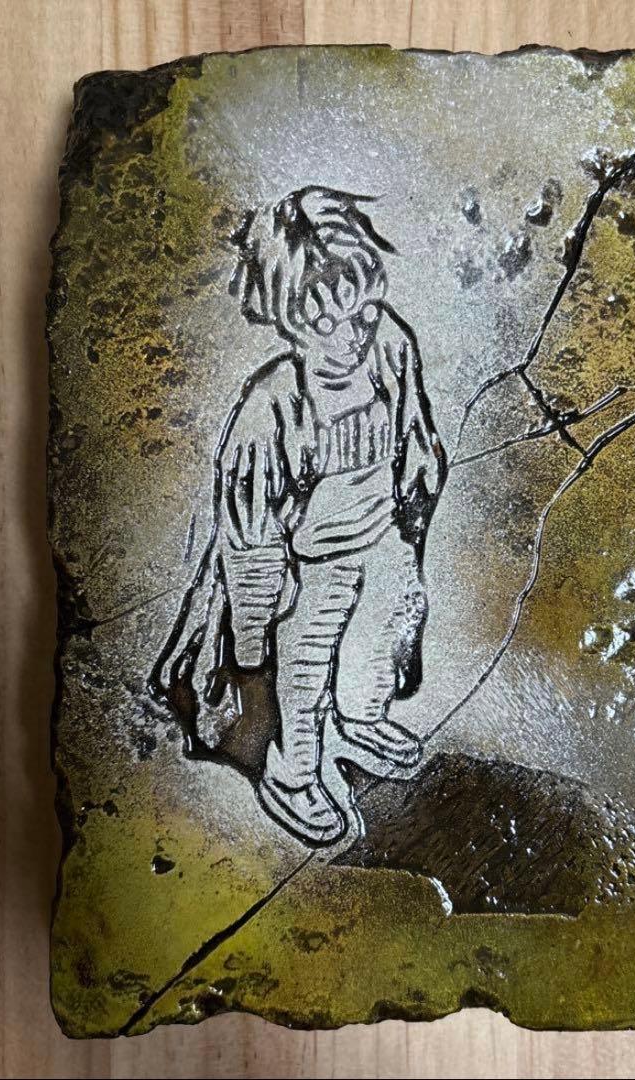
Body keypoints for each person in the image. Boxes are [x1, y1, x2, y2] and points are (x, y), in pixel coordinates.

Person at [151, 187, 446, 846]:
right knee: (303, 674)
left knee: (389, 630)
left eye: (363, 309)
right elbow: (250, 534)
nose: (354, 333)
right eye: (328, 322)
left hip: (383, 535)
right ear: (289, 321)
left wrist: (420, 467)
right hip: (311, 565)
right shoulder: (271, 408)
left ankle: (361, 719)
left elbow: (413, 422)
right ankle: (292, 774)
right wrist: (252, 633)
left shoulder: (390, 344)